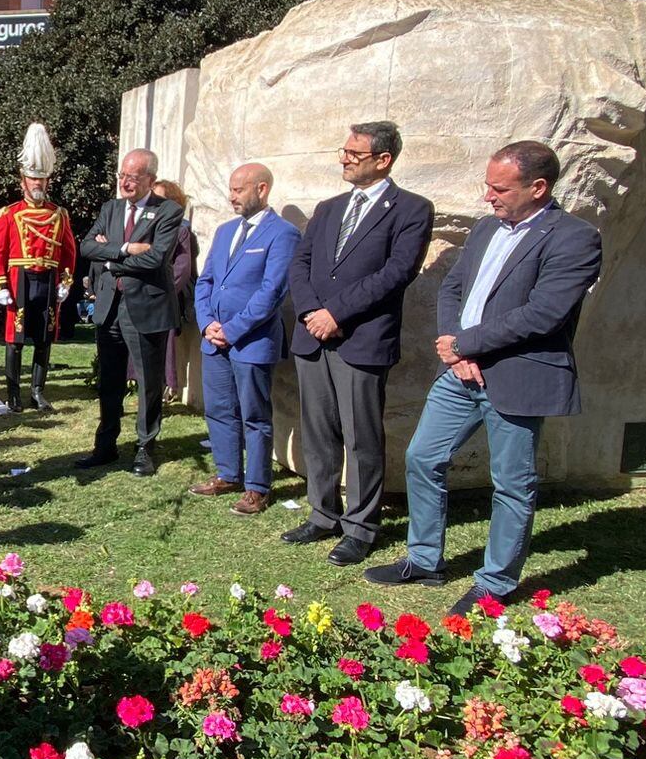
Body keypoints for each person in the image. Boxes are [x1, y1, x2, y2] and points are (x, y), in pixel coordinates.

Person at [364, 140, 603, 612]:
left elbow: (545, 314)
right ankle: (424, 558)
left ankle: (495, 582)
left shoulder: (575, 237)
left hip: (516, 378)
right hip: (458, 372)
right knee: (422, 457)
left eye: (499, 188)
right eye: (487, 186)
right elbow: (453, 288)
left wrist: (468, 345)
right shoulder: (485, 228)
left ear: (537, 188)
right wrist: (455, 347)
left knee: (512, 483)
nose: (488, 197)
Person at [284, 121, 436, 567]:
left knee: (361, 437)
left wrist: (338, 314)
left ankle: (360, 526)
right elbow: (302, 263)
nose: (344, 159)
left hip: (361, 339)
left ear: (383, 159)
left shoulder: (410, 209)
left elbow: (397, 272)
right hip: (313, 336)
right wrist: (313, 312)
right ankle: (322, 513)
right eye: (344, 151)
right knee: (318, 431)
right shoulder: (328, 208)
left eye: (354, 153)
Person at [191, 163, 300, 515]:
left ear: (262, 189)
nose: (232, 196)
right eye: (231, 189)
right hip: (215, 339)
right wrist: (207, 322)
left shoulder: (283, 234)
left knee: (254, 414)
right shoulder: (224, 232)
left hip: (251, 342)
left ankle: (257, 486)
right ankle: (227, 473)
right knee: (220, 409)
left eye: (239, 189)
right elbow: (206, 281)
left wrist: (233, 329)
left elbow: (272, 292)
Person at [77, 148, 184, 477]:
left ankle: (145, 448)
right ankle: (105, 445)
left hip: (146, 308)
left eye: (133, 177)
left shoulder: (168, 211)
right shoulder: (111, 208)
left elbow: (156, 259)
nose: (125, 182)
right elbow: (86, 246)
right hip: (110, 307)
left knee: (149, 383)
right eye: (121, 175)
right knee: (109, 381)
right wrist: (122, 250)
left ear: (150, 179)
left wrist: (108, 259)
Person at [0, 124, 76, 413]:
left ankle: (37, 392)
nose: (37, 184)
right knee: (15, 340)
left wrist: (65, 281)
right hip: (19, 280)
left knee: (43, 339)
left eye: (42, 180)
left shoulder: (59, 214)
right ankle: (13, 394)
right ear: (23, 180)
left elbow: (69, 252)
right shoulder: (9, 214)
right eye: (32, 179)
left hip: (48, 280)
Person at [155, 180, 199, 398]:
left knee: (166, 345)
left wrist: (160, 292)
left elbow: (182, 269)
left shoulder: (181, 230)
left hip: (167, 297)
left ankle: (167, 387)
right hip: (144, 297)